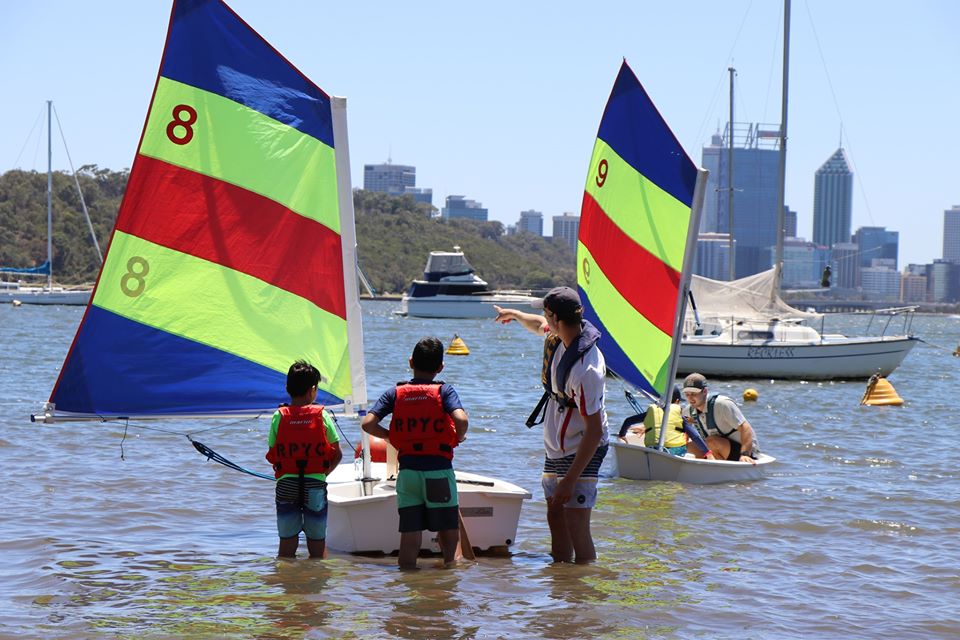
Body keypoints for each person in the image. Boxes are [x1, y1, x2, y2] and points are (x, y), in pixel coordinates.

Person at [494, 286, 608, 564]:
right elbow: (538, 325)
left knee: (576, 523)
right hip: (557, 445)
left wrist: (570, 481)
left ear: (557, 317)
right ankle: (561, 583)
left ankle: (582, 588)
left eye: (546, 314)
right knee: (555, 513)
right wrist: (516, 314)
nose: (545, 320)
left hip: (583, 447)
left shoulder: (586, 370)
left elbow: (594, 432)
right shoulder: (562, 337)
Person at [361, 337, 469, 569]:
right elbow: (461, 419)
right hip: (438, 472)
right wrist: (457, 438)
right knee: (448, 535)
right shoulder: (444, 391)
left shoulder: (395, 392)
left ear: (411, 362)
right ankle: (449, 579)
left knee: (410, 536)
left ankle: (407, 583)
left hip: (408, 473)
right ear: (441, 367)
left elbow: (368, 424)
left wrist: (391, 436)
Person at [266, 360, 343, 559]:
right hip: (315, 486)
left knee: (287, 542)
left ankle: (286, 581)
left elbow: (272, 450)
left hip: (286, 486)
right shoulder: (322, 415)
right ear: (313, 390)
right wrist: (321, 473)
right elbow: (337, 453)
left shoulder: (278, 416)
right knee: (317, 543)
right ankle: (317, 582)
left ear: (287, 388)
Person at [680, 372, 760, 463]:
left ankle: (717, 468)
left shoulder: (722, 404)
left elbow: (745, 428)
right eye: (687, 394)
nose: (690, 398)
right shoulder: (688, 411)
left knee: (711, 441)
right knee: (686, 446)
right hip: (720, 449)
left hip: (746, 452)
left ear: (705, 391)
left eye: (694, 393)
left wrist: (745, 454)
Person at [621, 385, 689, 456]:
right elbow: (693, 434)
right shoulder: (680, 415)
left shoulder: (652, 411)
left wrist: (622, 435)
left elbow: (628, 421)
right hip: (672, 451)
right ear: (677, 401)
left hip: (653, 449)